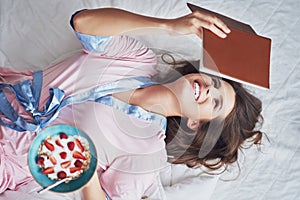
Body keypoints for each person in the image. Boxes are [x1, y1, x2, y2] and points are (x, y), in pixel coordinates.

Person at [0, 7, 263, 199]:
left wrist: (87, 171)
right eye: (215, 83)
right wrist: (169, 26)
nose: (208, 88)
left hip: (8, 163)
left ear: (194, 123)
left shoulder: (147, 154)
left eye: (214, 103)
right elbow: (84, 22)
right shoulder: (138, 60)